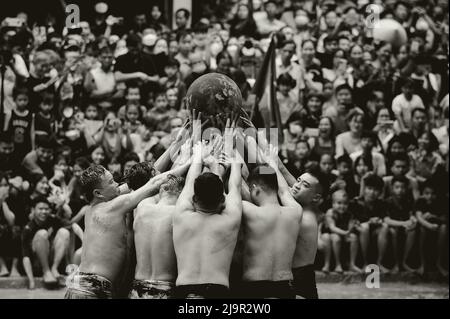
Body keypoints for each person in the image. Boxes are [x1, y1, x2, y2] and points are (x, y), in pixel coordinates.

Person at [64, 160, 190, 299]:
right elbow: (152, 184)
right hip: (90, 290)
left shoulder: (93, 208)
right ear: (98, 193)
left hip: (81, 285)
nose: (117, 184)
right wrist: (191, 162)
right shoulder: (112, 207)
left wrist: (173, 147)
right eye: (111, 182)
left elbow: (140, 181)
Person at [173, 142, 242, 299]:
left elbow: (190, 182)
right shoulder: (231, 218)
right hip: (217, 289)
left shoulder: (181, 215)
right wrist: (235, 159)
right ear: (222, 200)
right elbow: (235, 186)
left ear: (194, 199)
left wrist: (198, 155)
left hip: (184, 289)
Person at [240, 157, 302, 298]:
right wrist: (273, 163)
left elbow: (235, 185)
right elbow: (284, 192)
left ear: (254, 189)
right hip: (285, 287)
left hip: (255, 287)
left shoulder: (248, 210)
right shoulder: (295, 211)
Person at [126, 163, 184, 299]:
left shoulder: (140, 207)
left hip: (137, 287)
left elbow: (153, 184)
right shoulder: (179, 212)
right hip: (164, 288)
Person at [290, 167, 326, 299]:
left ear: (316, 198)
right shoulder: (303, 202)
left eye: (304, 185)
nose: (297, 186)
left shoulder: (305, 217)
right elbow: (281, 170)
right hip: (297, 274)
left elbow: (280, 183)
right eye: (298, 180)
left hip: (300, 277)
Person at [22, 197, 71, 289]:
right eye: (40, 209)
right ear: (33, 210)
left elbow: (70, 223)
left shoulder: (53, 220)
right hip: (37, 264)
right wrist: (31, 281)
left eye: (46, 209)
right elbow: (26, 257)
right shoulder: (28, 228)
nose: (44, 212)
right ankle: (46, 271)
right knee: (42, 233)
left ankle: (54, 269)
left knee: (64, 232)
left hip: (51, 259)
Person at [349, 173, 389, 272]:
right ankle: (365, 262)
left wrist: (379, 220)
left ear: (380, 192)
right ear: (364, 189)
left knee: (385, 226)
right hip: (359, 232)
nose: (372, 192)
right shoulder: (356, 202)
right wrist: (369, 221)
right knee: (365, 227)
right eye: (369, 188)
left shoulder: (381, 204)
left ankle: (379, 262)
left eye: (375, 190)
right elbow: (353, 221)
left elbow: (384, 218)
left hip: (374, 233)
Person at [384, 176, 418, 273]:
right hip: (393, 227)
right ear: (392, 188)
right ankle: (396, 263)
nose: (400, 190)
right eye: (397, 187)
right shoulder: (387, 202)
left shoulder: (408, 201)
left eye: (403, 187)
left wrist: (412, 220)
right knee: (394, 231)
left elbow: (411, 215)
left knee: (412, 230)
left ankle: (404, 262)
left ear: (407, 189)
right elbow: (386, 220)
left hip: (404, 227)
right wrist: (403, 223)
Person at [321, 190, 360, 273]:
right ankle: (334, 264)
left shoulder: (349, 214)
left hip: (342, 235)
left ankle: (352, 264)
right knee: (336, 238)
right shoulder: (330, 212)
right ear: (333, 204)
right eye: (339, 203)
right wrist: (346, 233)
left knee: (354, 237)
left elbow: (350, 228)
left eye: (345, 203)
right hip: (329, 235)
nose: (342, 206)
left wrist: (354, 226)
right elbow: (333, 228)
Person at [415, 181, 448, 277]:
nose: (429, 196)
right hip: (424, 226)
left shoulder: (442, 202)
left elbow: (444, 218)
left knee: (444, 228)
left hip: (438, 226)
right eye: (427, 193)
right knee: (422, 229)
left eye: (433, 194)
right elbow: (419, 217)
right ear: (422, 194)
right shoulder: (420, 201)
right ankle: (422, 263)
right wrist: (429, 225)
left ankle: (439, 263)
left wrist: (434, 217)